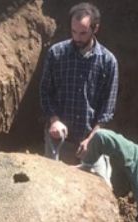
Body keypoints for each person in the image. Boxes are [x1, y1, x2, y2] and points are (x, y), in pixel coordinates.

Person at [39, 2, 118, 185]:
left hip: (91, 142)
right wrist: (54, 119)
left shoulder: (108, 61)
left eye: (82, 33)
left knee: (102, 188)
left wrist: (91, 139)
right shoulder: (56, 54)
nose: (77, 38)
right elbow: (45, 92)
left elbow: (107, 109)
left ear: (95, 28)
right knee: (52, 188)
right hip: (59, 140)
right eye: (74, 32)